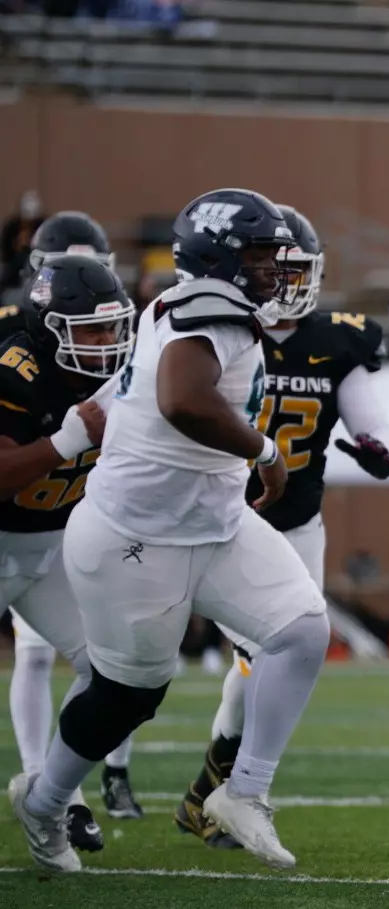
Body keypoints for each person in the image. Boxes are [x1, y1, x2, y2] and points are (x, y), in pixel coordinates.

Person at [8, 189, 330, 873]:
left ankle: (244, 791)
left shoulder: (186, 305)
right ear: (221, 256)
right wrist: (266, 452)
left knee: (302, 629)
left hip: (213, 522)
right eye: (262, 253)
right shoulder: (211, 312)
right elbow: (182, 398)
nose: (275, 267)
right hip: (138, 538)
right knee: (128, 695)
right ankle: (43, 801)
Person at [173, 205, 389, 851]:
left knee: (274, 658)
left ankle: (212, 797)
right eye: (275, 266)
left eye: (295, 267)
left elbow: (368, 418)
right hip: (217, 513)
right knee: (249, 660)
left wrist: (378, 446)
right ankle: (203, 793)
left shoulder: (339, 337)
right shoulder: (223, 328)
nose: (283, 279)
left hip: (296, 524)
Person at [4, 211, 145, 828]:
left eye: (112, 328)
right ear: (48, 329)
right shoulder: (13, 368)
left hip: (54, 548)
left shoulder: (123, 373)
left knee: (116, 672)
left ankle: (54, 797)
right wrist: (63, 443)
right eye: (90, 332)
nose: (107, 343)